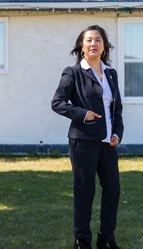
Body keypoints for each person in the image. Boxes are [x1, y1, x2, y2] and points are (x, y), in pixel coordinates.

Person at [51, 25, 124, 249]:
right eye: (89, 40)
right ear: (82, 47)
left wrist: (117, 133)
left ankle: (107, 239)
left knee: (112, 190)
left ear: (104, 46)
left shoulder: (111, 73)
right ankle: (82, 241)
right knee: (85, 191)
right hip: (83, 141)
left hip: (107, 144)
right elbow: (57, 103)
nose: (94, 44)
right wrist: (84, 115)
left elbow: (117, 109)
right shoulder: (73, 72)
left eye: (98, 40)